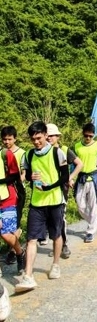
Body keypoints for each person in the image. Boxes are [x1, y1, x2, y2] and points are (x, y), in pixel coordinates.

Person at [15, 121, 68, 292]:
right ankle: (28, 276)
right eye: (33, 139)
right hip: (37, 203)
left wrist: (49, 186)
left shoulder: (57, 152)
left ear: (46, 135)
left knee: (56, 234)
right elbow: (28, 175)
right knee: (31, 238)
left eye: (39, 138)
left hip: (55, 201)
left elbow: (65, 176)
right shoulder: (29, 155)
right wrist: (31, 176)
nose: (36, 142)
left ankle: (55, 264)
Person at [46, 123, 83, 258]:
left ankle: (64, 245)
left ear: (57, 136)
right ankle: (57, 246)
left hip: (62, 188)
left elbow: (79, 164)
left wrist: (70, 177)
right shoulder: (42, 151)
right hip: (46, 190)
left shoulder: (64, 150)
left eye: (52, 135)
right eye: (47, 135)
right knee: (50, 218)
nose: (49, 138)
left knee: (61, 216)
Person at [73, 123, 97, 243]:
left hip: (94, 177)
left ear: (93, 135)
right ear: (83, 134)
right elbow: (74, 163)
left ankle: (90, 232)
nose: (88, 138)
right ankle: (93, 220)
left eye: (90, 136)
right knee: (80, 204)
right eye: (86, 135)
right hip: (81, 177)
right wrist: (72, 177)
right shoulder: (77, 146)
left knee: (94, 205)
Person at [0, 128, 25, 275]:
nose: (6, 141)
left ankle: (19, 253)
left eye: (9, 139)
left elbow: (15, 176)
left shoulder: (5, 154)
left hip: (8, 198)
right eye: (4, 139)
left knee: (5, 234)